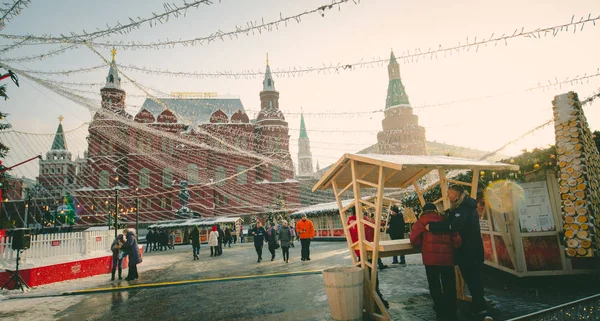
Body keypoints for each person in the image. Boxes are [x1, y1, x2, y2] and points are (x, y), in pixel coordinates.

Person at [426, 184, 488, 316]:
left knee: (472, 279)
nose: (447, 196)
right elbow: (454, 218)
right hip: (471, 250)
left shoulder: (463, 208)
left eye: (449, 193)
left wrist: (432, 227)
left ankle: (480, 307)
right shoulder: (465, 206)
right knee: (474, 279)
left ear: (456, 195)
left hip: (468, 251)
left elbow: (453, 225)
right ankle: (479, 305)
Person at [411, 203, 462, 321]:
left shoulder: (421, 222)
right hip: (447, 258)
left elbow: (414, 240)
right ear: (435, 209)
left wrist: (422, 243)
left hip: (431, 259)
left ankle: (439, 308)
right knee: (449, 284)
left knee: (434, 284)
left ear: (423, 211)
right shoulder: (446, 219)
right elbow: (456, 239)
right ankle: (451, 308)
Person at [347, 208, 389, 309]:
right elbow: (360, 231)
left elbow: (376, 225)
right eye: (362, 210)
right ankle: (373, 301)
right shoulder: (353, 221)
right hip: (363, 252)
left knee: (373, 277)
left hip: (369, 250)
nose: (364, 213)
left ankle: (375, 299)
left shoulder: (363, 219)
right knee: (369, 278)